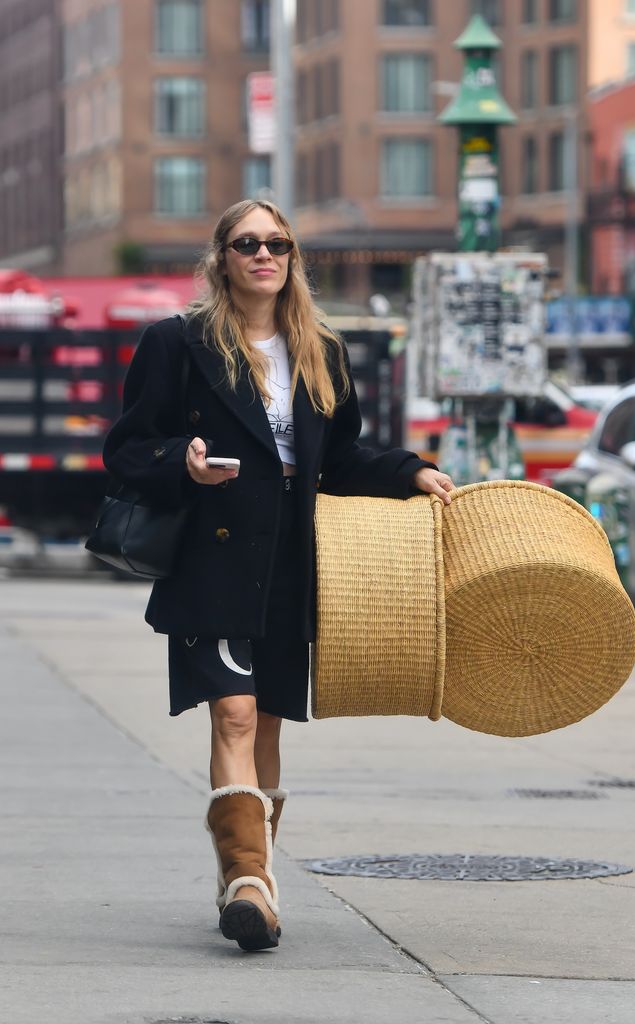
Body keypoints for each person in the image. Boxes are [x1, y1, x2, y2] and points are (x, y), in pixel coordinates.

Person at [103, 199, 454, 952]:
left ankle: (248, 875)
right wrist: (182, 462)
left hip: (292, 561)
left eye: (277, 243)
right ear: (221, 258)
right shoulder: (178, 343)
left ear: (292, 256)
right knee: (231, 714)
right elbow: (128, 447)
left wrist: (410, 472)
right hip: (214, 556)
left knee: (264, 722)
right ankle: (249, 884)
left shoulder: (322, 349)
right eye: (246, 243)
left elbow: (344, 457)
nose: (264, 254)